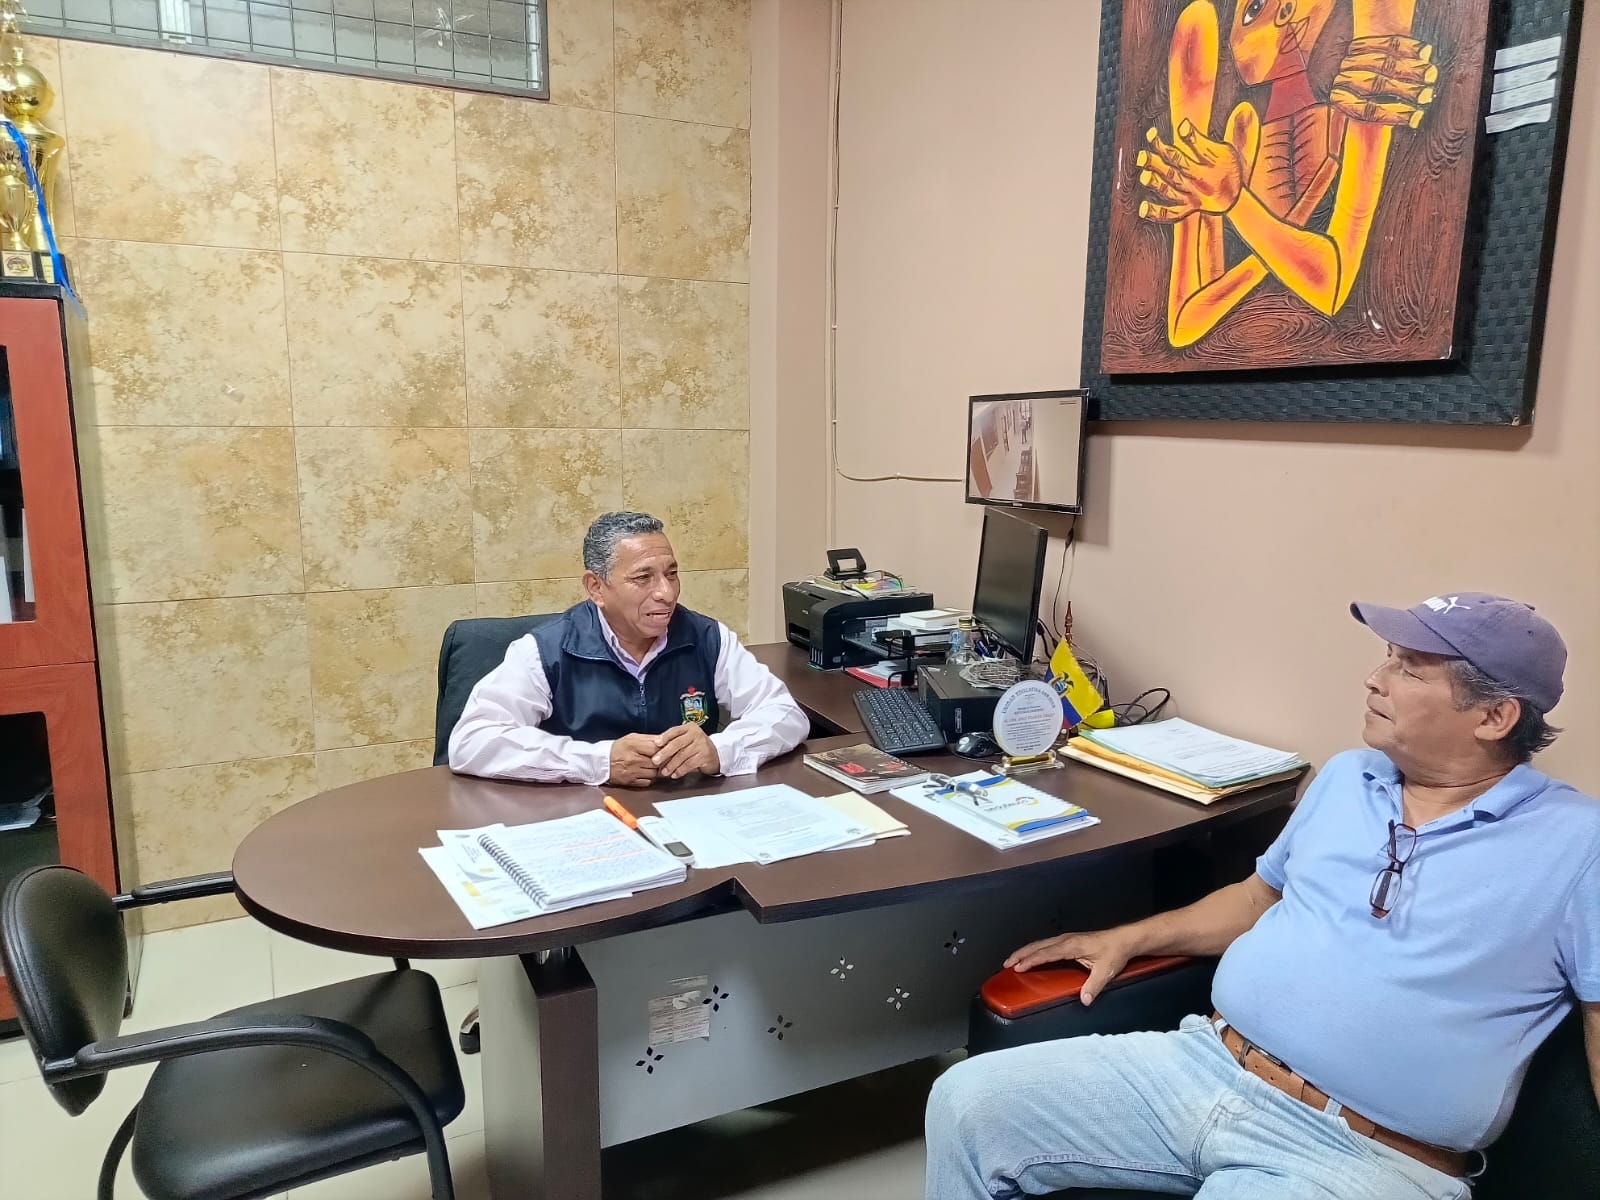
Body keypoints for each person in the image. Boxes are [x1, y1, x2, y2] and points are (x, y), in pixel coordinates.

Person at [926, 592, 1600, 1200]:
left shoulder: (1577, 844)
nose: (1375, 678)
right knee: (967, 1101)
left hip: (1366, 1154)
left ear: (1494, 716)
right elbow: (1257, 899)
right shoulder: (1349, 777)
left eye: (1411, 669)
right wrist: (1128, 937)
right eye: (1387, 658)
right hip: (1204, 1064)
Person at [449, 511, 808, 787]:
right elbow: (472, 742)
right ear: (596, 588)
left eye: (671, 574)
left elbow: (786, 714)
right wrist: (598, 762)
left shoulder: (707, 638)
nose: (665, 593)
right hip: (581, 818)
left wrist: (720, 750)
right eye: (643, 578)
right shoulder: (545, 651)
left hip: (685, 814)